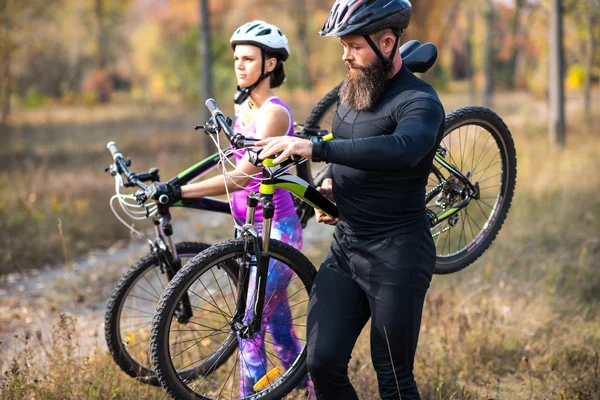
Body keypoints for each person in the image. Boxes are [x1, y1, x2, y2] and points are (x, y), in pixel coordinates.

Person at [256, 1, 445, 399]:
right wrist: (334, 187)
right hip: (346, 250)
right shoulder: (352, 93)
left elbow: (400, 148)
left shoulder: (420, 101)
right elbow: (351, 149)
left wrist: (315, 150)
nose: (345, 55)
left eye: (354, 46)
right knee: (321, 364)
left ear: (388, 42)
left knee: (393, 377)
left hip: (398, 253)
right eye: (343, 46)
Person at [145, 20, 309, 397]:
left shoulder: (272, 113)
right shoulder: (244, 111)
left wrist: (181, 191)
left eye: (249, 59)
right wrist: (178, 184)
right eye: (237, 58)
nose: (239, 65)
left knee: (247, 327)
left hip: (277, 234)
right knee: (280, 332)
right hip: (249, 233)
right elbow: (226, 165)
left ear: (270, 65)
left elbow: (239, 178)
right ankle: (312, 392)